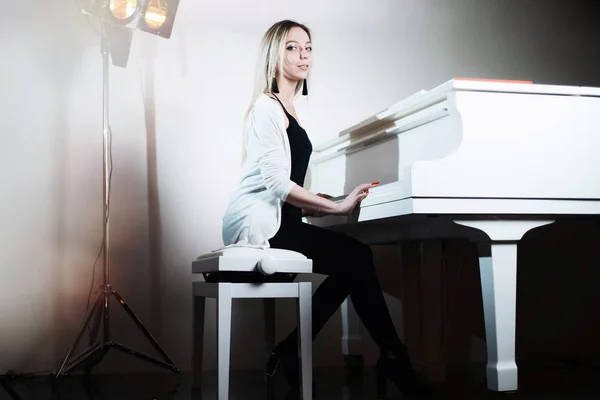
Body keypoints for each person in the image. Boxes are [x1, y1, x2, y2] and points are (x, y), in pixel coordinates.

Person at [222, 19, 428, 398]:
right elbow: (277, 185)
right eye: (292, 47)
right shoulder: (266, 109)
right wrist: (338, 208)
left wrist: (331, 202)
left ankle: (296, 351)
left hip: (284, 222)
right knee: (357, 258)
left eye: (309, 47)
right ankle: (393, 357)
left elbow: (293, 191)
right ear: (274, 54)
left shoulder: (290, 110)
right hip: (263, 226)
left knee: (355, 261)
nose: (303, 55)